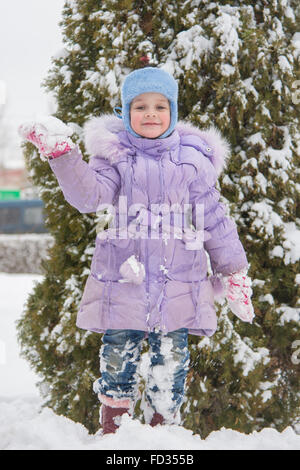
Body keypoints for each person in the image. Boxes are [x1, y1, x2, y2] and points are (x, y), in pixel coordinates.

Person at [18, 67, 254, 435]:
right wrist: (62, 155)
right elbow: (88, 196)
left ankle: (164, 433)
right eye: (140, 106)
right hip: (125, 276)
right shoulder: (115, 157)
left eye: (160, 106)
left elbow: (215, 219)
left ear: (173, 112)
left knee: (172, 363)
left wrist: (234, 272)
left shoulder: (192, 161)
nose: (150, 113)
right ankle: (114, 432)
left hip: (178, 280)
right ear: (126, 113)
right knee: (117, 358)